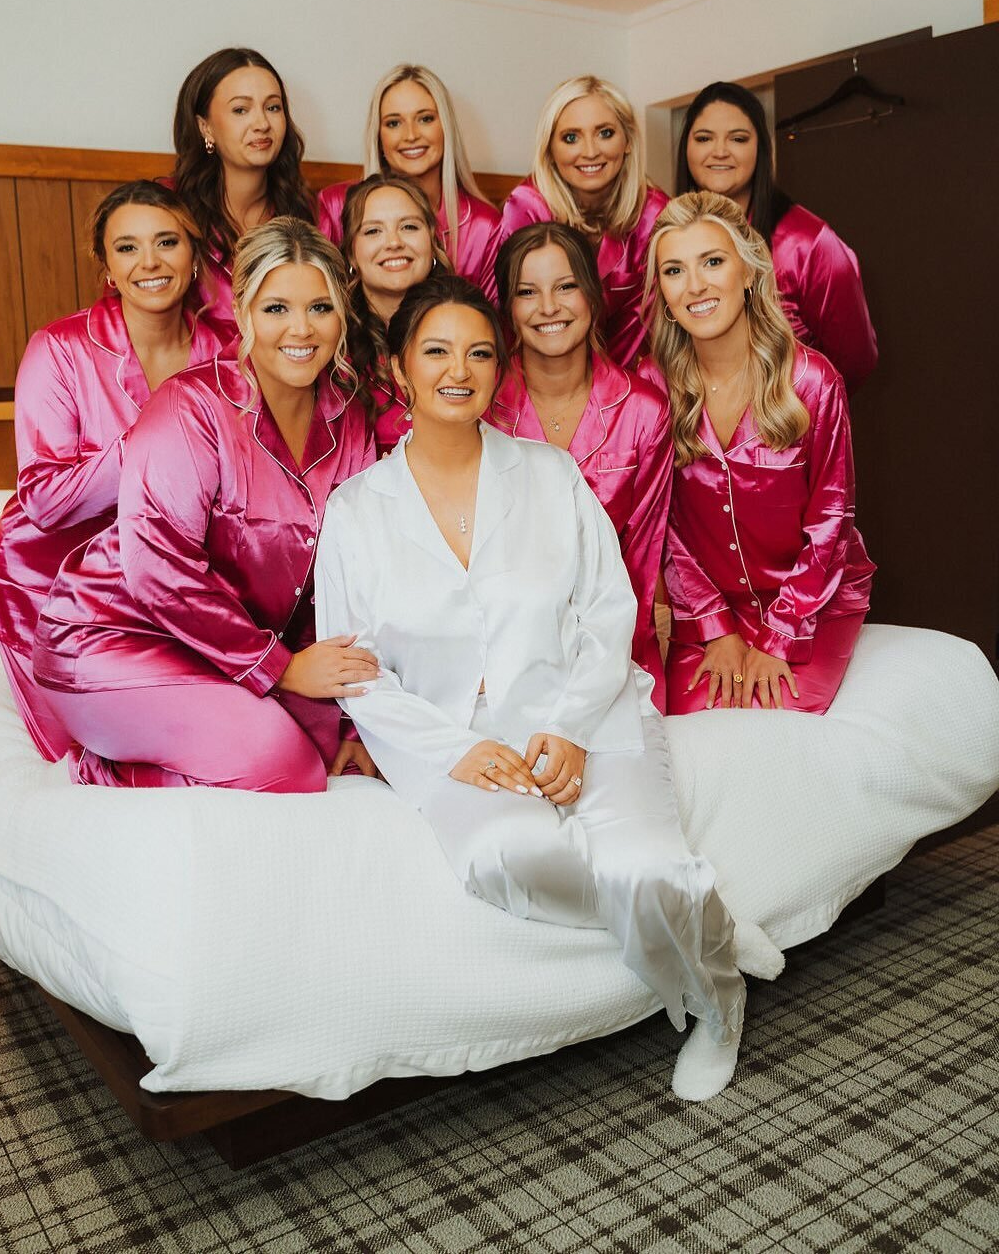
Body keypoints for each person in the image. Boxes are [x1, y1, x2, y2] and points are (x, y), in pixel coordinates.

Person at [315, 273, 754, 1102]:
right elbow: (358, 670)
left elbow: (608, 608)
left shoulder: (551, 476)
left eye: (480, 351)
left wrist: (573, 727)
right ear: (401, 369)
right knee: (504, 851)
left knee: (642, 858)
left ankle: (718, 996)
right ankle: (698, 913)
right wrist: (460, 749)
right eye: (436, 350)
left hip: (585, 705)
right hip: (455, 738)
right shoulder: (356, 509)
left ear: (499, 368)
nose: (460, 368)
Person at [31, 218, 376, 790]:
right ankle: (105, 768)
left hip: (232, 648)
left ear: (342, 316)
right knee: (287, 767)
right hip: (115, 634)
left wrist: (355, 719)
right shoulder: (189, 406)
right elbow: (156, 568)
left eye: (320, 307)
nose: (301, 328)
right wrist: (282, 668)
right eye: (275, 308)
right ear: (242, 312)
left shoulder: (351, 419)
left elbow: (356, 571)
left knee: (320, 748)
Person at [0, 181, 237, 762]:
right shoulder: (59, 348)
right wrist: (156, 440)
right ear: (107, 266)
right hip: (51, 585)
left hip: (176, 579)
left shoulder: (230, 350)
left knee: (215, 733)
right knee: (100, 750)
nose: (150, 262)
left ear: (195, 255)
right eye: (128, 247)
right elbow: (43, 501)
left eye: (167, 241)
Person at [647, 192, 875, 715]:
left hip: (813, 605)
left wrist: (779, 635)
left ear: (748, 272)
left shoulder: (813, 381)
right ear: (662, 292)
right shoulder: (653, 388)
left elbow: (831, 521)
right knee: (687, 740)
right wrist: (712, 627)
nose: (695, 285)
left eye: (712, 261)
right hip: (712, 613)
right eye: (674, 270)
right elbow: (665, 528)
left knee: (774, 730)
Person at [491, 222, 672, 705]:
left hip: (619, 649)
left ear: (593, 295)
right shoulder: (482, 406)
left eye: (566, 286)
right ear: (508, 308)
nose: (548, 307)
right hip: (502, 653)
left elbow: (642, 561)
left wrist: (597, 669)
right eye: (527, 292)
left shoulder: (644, 410)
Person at [676, 80, 877, 392]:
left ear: (761, 147)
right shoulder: (669, 238)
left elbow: (854, 360)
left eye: (738, 138)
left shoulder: (809, 242)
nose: (719, 151)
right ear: (685, 147)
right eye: (704, 138)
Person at [500, 76, 669, 370]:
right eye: (570, 138)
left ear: (628, 140)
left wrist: (608, 389)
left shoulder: (654, 212)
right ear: (550, 148)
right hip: (535, 375)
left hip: (623, 378)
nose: (590, 151)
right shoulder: (526, 207)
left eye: (605, 133)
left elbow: (648, 322)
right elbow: (511, 315)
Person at [317, 63, 501, 298]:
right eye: (394, 123)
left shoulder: (485, 226)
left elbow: (492, 326)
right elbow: (320, 300)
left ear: (446, 127)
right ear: (378, 136)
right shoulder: (335, 204)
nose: (411, 135)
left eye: (425, 119)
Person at [170, 47, 316, 329]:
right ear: (205, 127)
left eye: (273, 107)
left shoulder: (308, 213)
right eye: (241, 109)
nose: (262, 124)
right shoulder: (169, 212)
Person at [341, 172, 451, 455]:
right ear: (352, 253)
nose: (393, 243)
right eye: (373, 231)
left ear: (432, 239)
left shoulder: (469, 327)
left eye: (409, 227)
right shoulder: (335, 346)